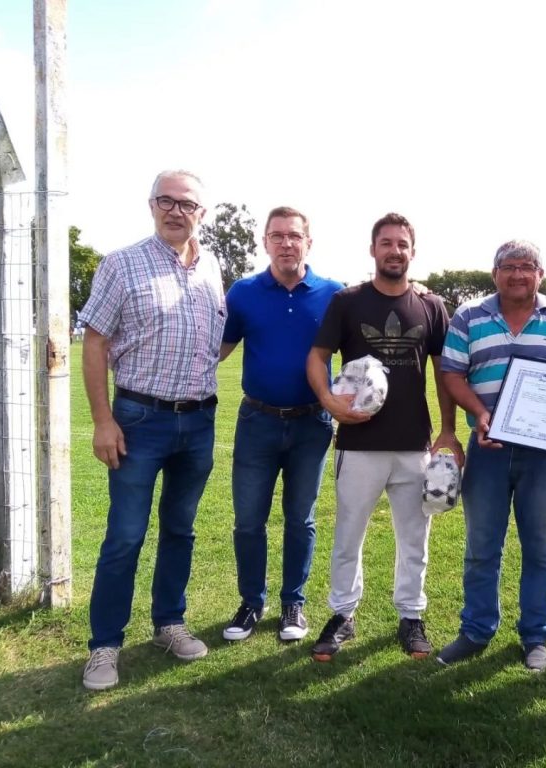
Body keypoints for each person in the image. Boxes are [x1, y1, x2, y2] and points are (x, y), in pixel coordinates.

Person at [79, 170, 225, 691]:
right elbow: (95, 342)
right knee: (125, 535)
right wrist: (103, 420)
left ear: (201, 214)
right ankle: (104, 646)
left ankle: (169, 623)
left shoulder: (212, 267)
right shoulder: (122, 264)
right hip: (139, 421)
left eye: (187, 204)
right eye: (166, 200)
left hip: (199, 421)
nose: (175, 211)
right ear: (151, 205)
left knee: (180, 529)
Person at [306, 212, 463, 661]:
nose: (395, 251)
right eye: (387, 243)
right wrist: (328, 400)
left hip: (414, 444)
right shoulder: (348, 301)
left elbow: (444, 372)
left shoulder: (431, 306)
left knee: (415, 538)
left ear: (413, 251)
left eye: (402, 244)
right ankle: (342, 614)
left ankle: (411, 616)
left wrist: (448, 431)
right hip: (358, 445)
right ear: (373, 249)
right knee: (348, 536)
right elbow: (317, 356)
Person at [437, 240, 546, 671]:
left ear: (540, 273)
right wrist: (481, 414)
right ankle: (476, 630)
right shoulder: (469, 316)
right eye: (508, 266)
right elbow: (452, 373)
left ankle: (536, 635)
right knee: (482, 546)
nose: (517, 274)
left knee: (541, 547)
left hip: (544, 455)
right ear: (495, 273)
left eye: (527, 266)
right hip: (487, 449)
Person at [219, 206, 343, 643]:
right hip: (257, 422)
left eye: (294, 236)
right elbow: (216, 349)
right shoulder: (243, 293)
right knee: (248, 520)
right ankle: (252, 602)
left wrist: (418, 289)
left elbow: (362, 344)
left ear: (308, 242)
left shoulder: (334, 294)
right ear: (265, 242)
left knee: (300, 519)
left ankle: (294, 602)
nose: (286, 243)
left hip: (312, 423)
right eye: (277, 236)